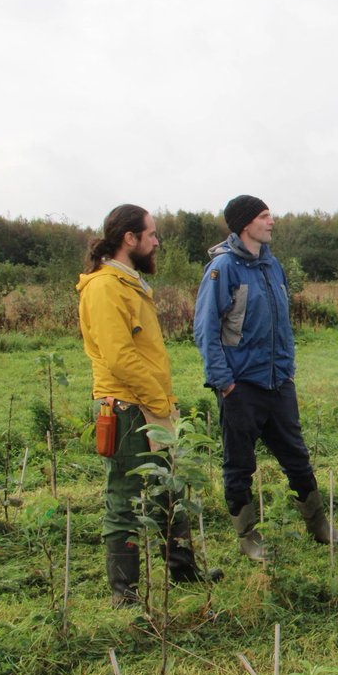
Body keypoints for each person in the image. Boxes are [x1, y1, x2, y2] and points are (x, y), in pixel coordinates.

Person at [77, 204, 222, 607]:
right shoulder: (104, 288)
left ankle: (183, 572)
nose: (157, 242)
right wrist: (159, 402)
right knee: (124, 499)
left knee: (167, 489)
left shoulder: (129, 283)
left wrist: (161, 403)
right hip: (126, 409)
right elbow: (119, 357)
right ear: (130, 238)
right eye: (152, 234)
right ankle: (124, 594)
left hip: (149, 404)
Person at [193, 195, 338, 561]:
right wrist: (224, 382)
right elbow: (205, 329)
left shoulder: (272, 265)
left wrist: (287, 368)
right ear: (245, 224)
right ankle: (249, 538)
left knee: (297, 457)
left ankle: (319, 526)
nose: (271, 221)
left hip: (278, 383)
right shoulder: (223, 269)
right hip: (241, 387)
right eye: (264, 216)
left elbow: (283, 323)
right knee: (239, 464)